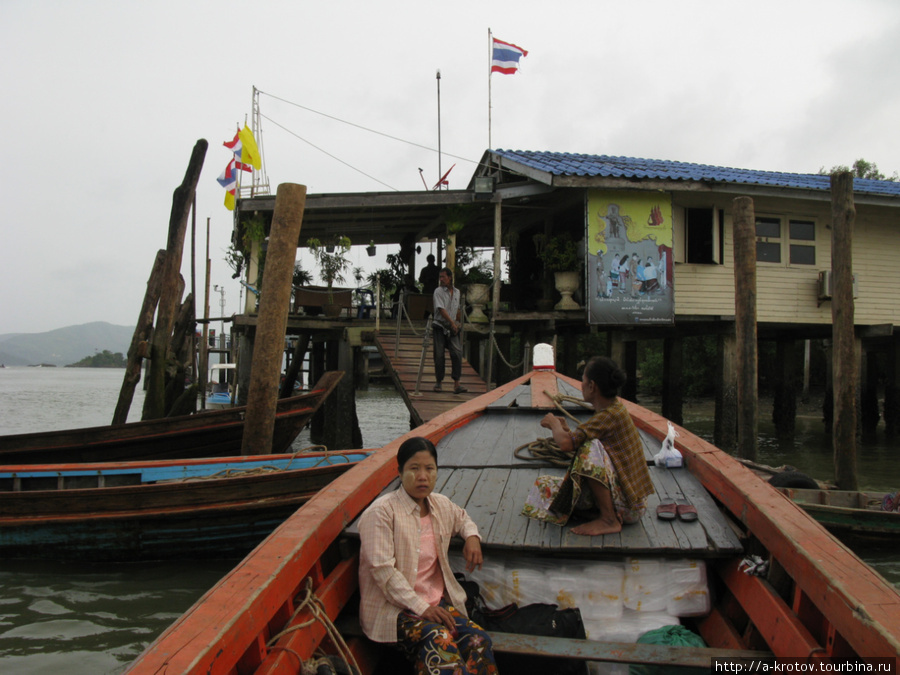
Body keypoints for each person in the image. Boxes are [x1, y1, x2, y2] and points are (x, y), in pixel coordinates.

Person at [358, 437, 497, 675]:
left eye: (429, 469)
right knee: (440, 639)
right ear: (400, 472)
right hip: (394, 611)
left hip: (434, 604)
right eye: (414, 468)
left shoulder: (440, 505)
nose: (423, 476)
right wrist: (421, 607)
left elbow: (463, 518)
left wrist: (472, 537)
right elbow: (383, 572)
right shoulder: (381, 513)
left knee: (478, 639)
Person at [522, 356, 655, 536]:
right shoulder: (614, 410)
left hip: (631, 505)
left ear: (592, 386)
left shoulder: (610, 415)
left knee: (589, 448)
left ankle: (609, 519)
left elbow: (567, 444)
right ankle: (598, 512)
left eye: (583, 381)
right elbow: (575, 439)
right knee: (543, 485)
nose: (581, 385)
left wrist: (553, 424)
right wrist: (565, 429)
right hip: (628, 501)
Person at [432, 267, 467, 394]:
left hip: (452, 327)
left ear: (450, 277)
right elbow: (441, 309)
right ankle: (438, 382)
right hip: (440, 326)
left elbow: (456, 309)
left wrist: (457, 323)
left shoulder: (457, 292)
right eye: (440, 277)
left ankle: (457, 384)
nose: (441, 279)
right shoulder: (438, 291)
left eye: (443, 277)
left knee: (457, 353)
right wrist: (452, 323)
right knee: (439, 355)